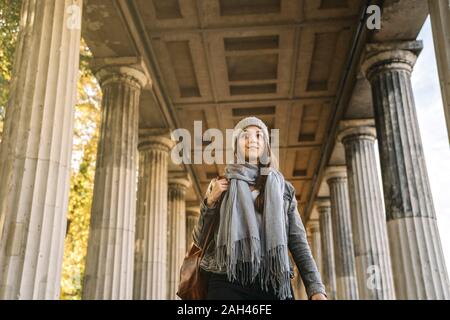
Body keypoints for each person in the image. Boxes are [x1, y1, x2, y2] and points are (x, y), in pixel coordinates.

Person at [192, 116, 327, 300]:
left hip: (273, 281)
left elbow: (298, 241)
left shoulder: (282, 189)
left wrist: (315, 288)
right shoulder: (220, 185)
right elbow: (199, 240)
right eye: (245, 135)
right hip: (226, 279)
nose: (252, 140)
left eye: (258, 135)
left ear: (266, 145)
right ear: (236, 144)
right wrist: (209, 203)